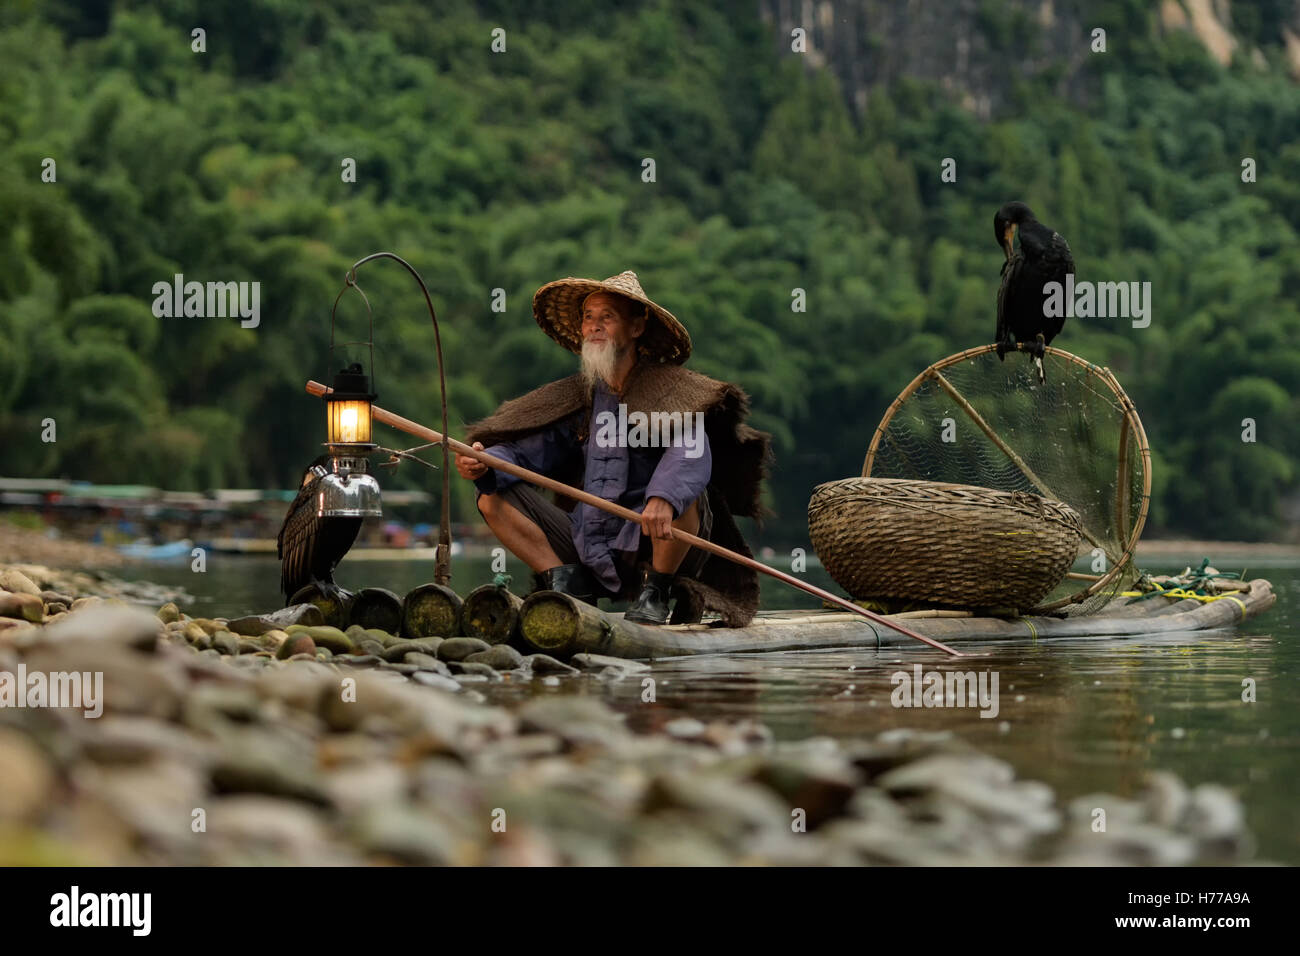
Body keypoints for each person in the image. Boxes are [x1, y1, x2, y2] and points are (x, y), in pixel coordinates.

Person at [455, 271, 771, 626]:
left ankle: (656, 593)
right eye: (588, 318)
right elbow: (527, 453)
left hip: (652, 541)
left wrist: (663, 498)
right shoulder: (580, 399)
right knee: (492, 496)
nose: (594, 326)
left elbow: (691, 450)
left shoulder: (672, 391)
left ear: (635, 328)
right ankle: (567, 584)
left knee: (687, 497)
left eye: (607, 317)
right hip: (587, 540)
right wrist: (486, 462)